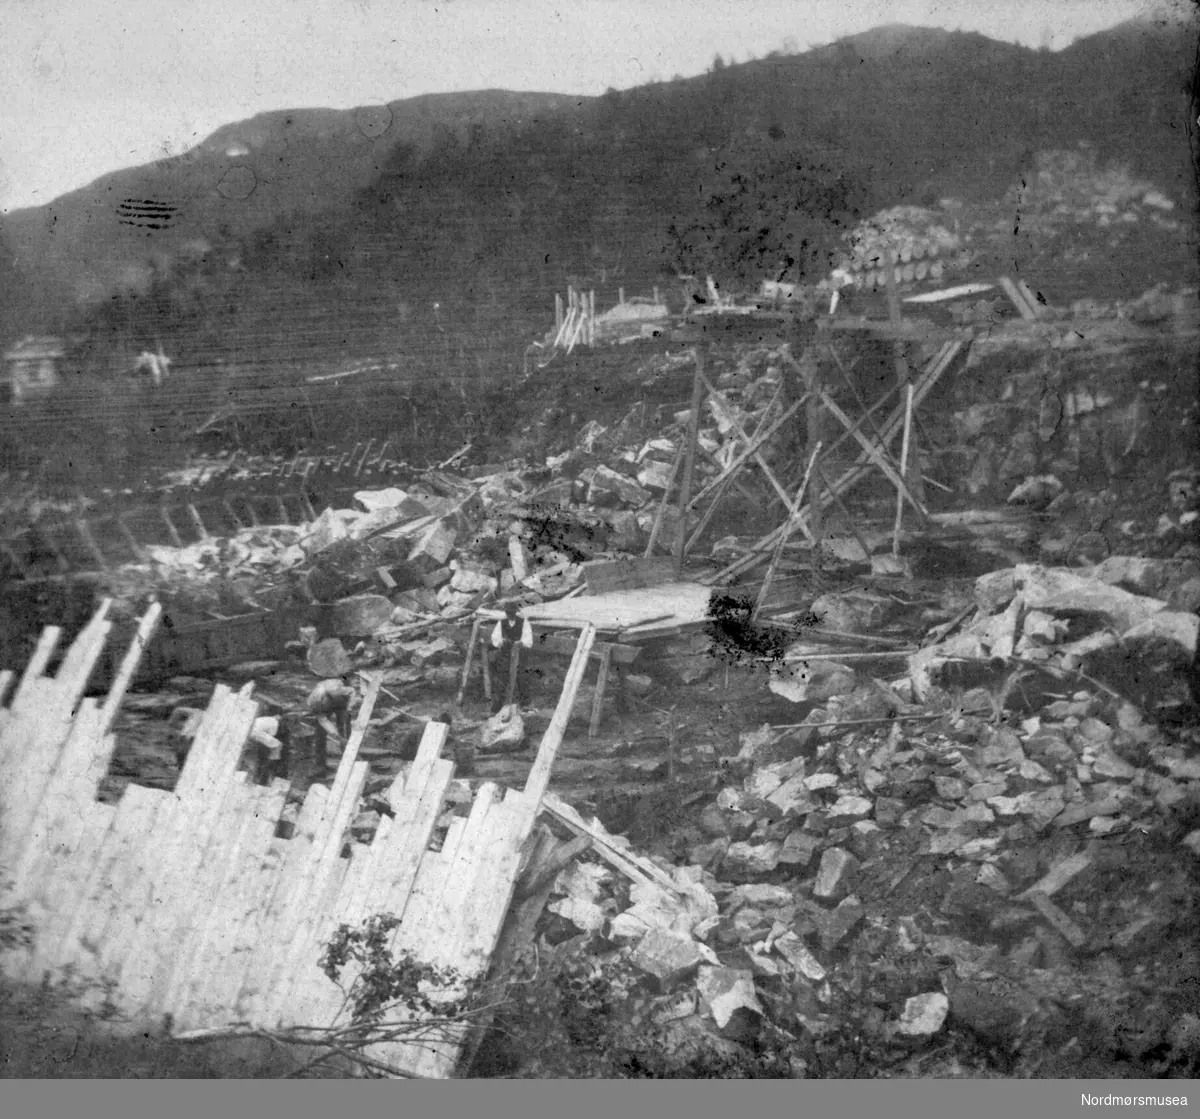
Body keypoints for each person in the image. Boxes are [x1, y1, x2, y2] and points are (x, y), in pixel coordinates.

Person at [490, 601, 533, 711]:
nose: (510, 615)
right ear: (506, 613)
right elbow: (495, 637)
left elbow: (528, 639)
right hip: (505, 654)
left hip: (519, 654)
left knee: (522, 678)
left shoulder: (523, 622)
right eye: (508, 613)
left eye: (512, 612)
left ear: (515, 612)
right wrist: (501, 641)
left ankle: (525, 704)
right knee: (501, 679)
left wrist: (521, 643)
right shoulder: (501, 623)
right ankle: (497, 707)